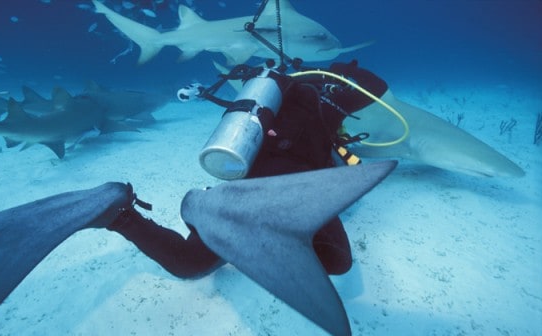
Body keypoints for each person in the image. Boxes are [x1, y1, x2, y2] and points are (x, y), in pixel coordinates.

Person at [106, 59, 388, 279]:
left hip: (244, 186)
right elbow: (376, 85)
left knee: (188, 263)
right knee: (338, 261)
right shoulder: (335, 98)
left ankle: (119, 215)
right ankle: (268, 234)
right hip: (300, 190)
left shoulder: (276, 95)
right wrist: (339, 69)